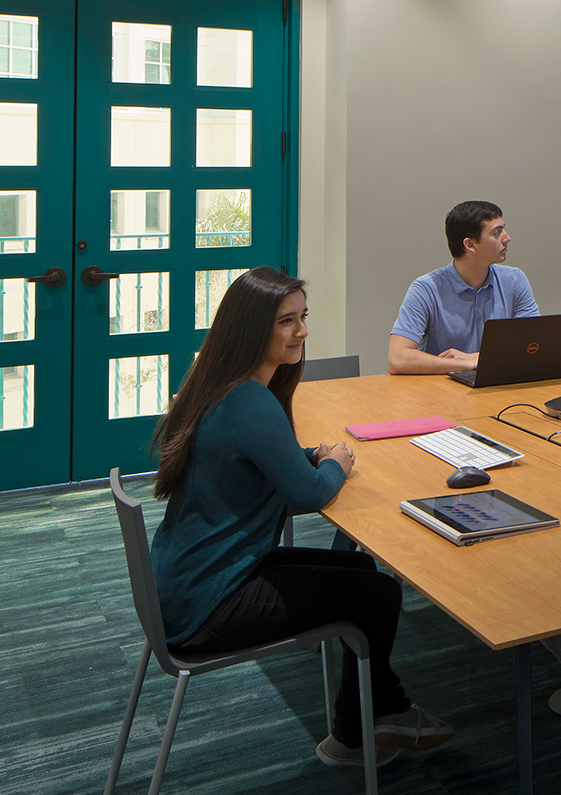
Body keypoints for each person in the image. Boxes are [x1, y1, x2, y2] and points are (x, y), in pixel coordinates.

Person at [149, 267, 453, 768]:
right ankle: (362, 730)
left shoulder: (221, 386)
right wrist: (332, 464)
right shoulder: (250, 401)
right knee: (380, 593)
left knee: (361, 574)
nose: (303, 332)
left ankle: (374, 715)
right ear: (251, 328)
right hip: (208, 603)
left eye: (303, 317)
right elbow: (309, 496)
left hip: (190, 578)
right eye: (287, 321)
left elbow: (264, 461)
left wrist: (310, 455)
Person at [388, 200, 539, 374]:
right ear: (470, 245)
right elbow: (397, 358)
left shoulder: (515, 280)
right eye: (497, 233)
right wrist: (468, 363)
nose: (507, 238)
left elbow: (533, 346)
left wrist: (478, 358)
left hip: (497, 387)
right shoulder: (426, 289)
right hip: (441, 391)